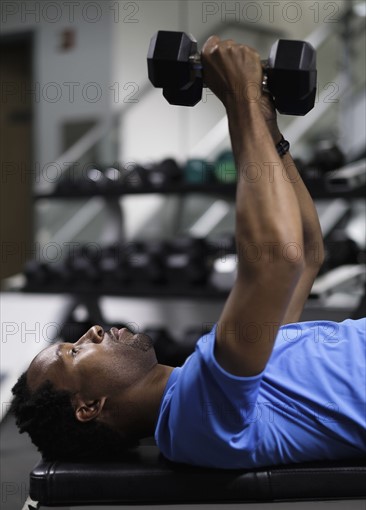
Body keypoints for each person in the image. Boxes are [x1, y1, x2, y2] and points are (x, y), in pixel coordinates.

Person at [11, 37, 366, 468]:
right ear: (89, 407)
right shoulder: (193, 419)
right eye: (74, 351)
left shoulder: (208, 374)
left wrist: (266, 127)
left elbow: (307, 253)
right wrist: (239, 99)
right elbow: (276, 259)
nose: (93, 331)